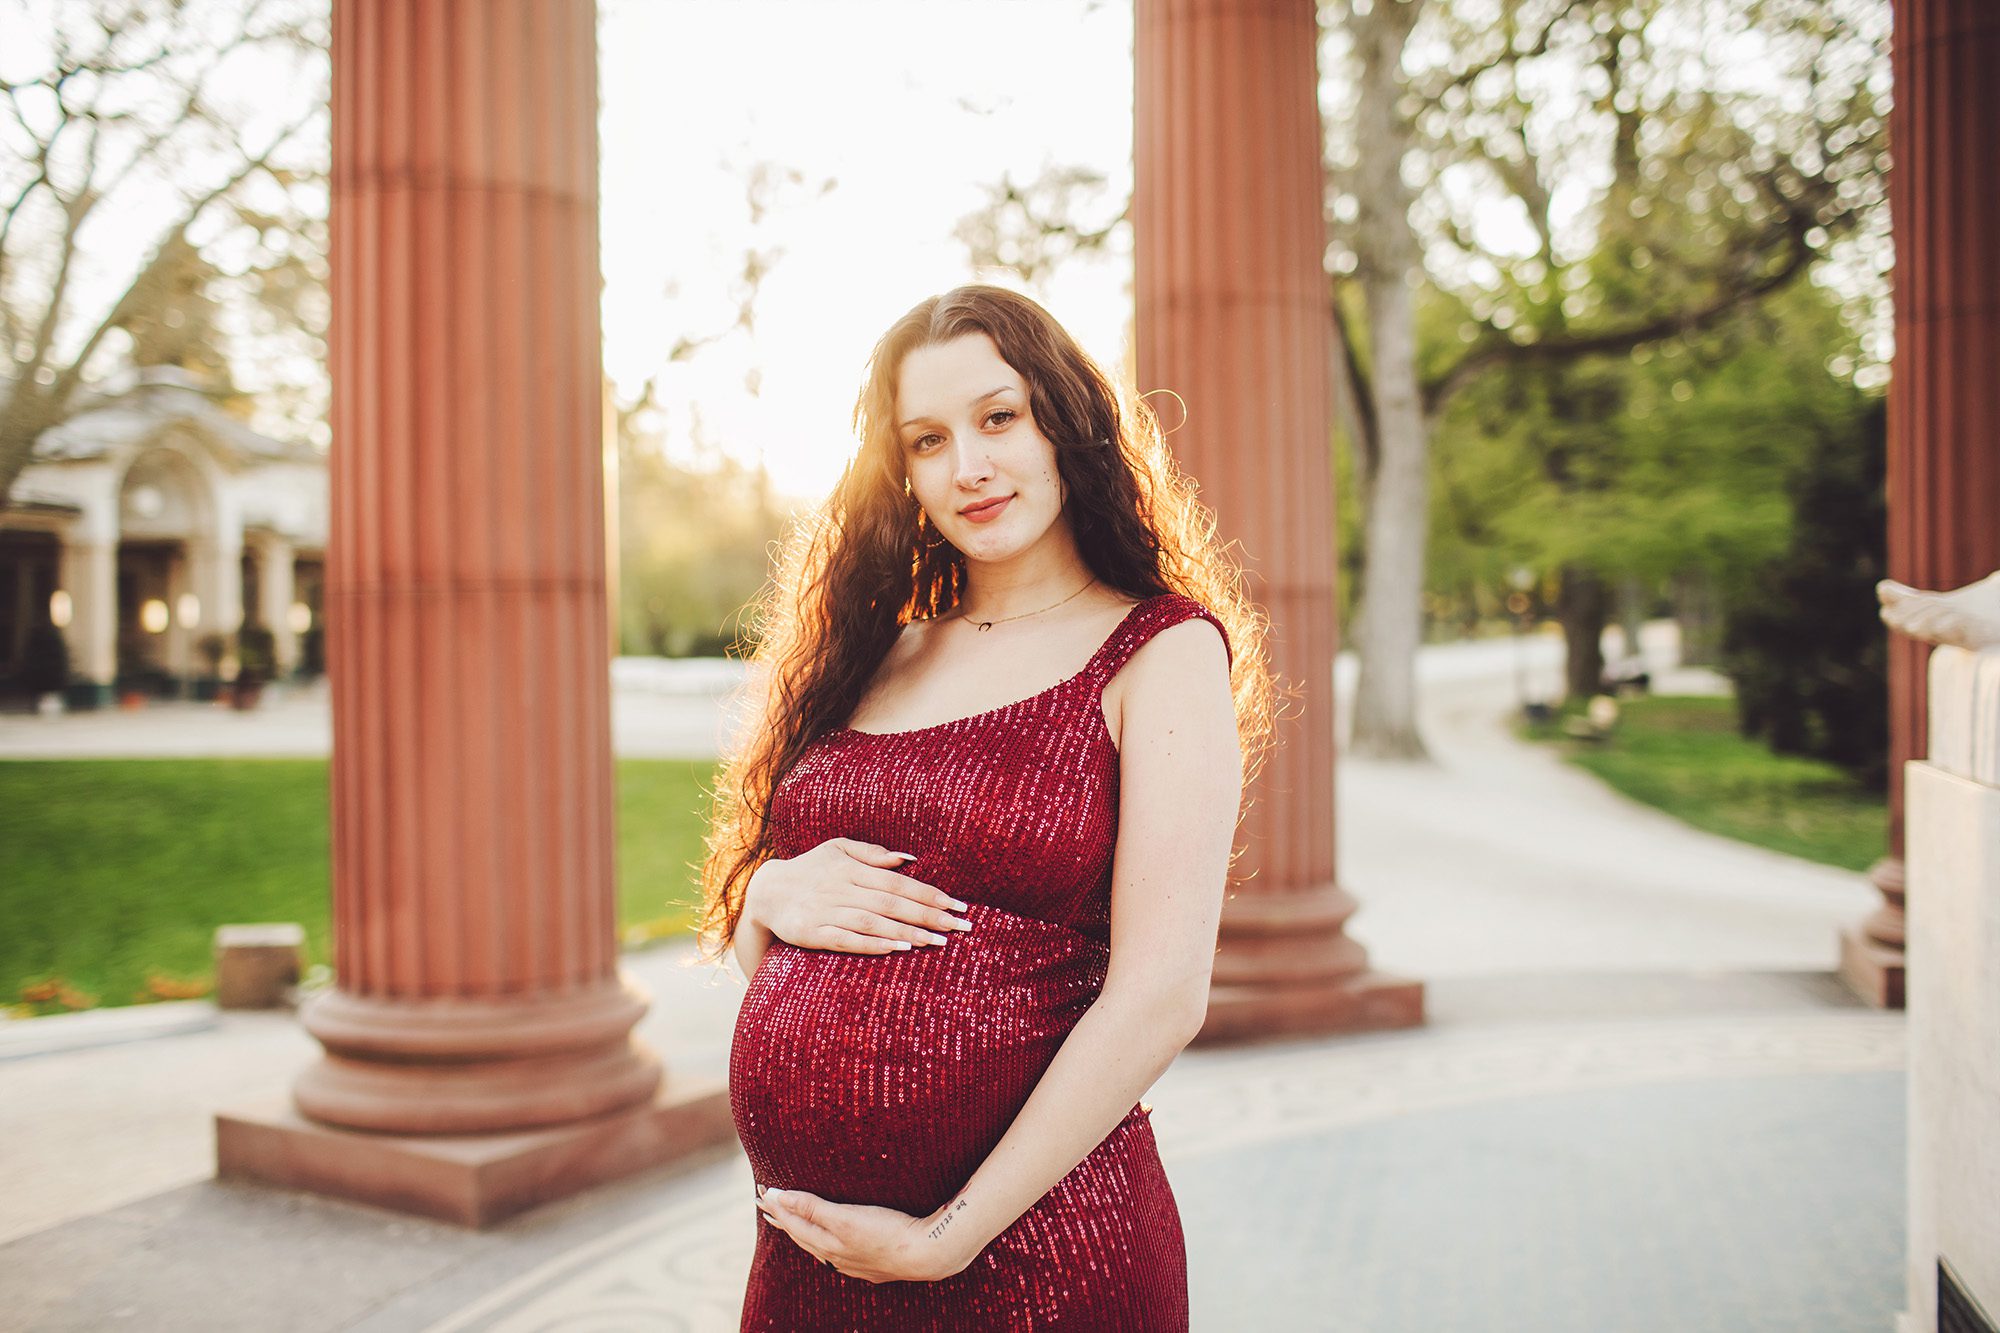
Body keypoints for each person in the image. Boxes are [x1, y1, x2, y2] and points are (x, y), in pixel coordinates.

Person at [698, 283, 1278, 1330]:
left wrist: (940, 1237)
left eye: (996, 417)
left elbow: (1160, 993)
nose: (966, 465)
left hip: (1035, 1259)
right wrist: (769, 895)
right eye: (925, 439)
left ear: (1063, 420)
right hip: (811, 1257)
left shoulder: (1158, 650)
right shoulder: (870, 652)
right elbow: (773, 957)